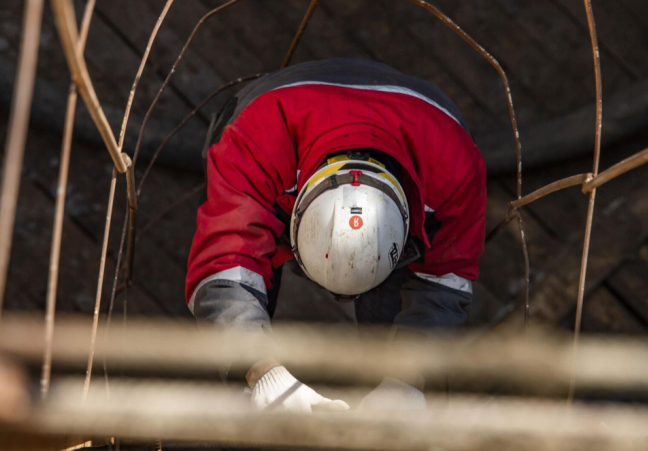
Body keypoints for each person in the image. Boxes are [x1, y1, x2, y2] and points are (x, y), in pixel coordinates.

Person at [186, 59, 486, 413]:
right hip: (268, 124)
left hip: (422, 134)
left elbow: (443, 283)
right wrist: (263, 373)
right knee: (237, 351)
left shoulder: (454, 168)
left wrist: (408, 382)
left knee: (398, 354)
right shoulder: (255, 142)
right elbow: (224, 268)